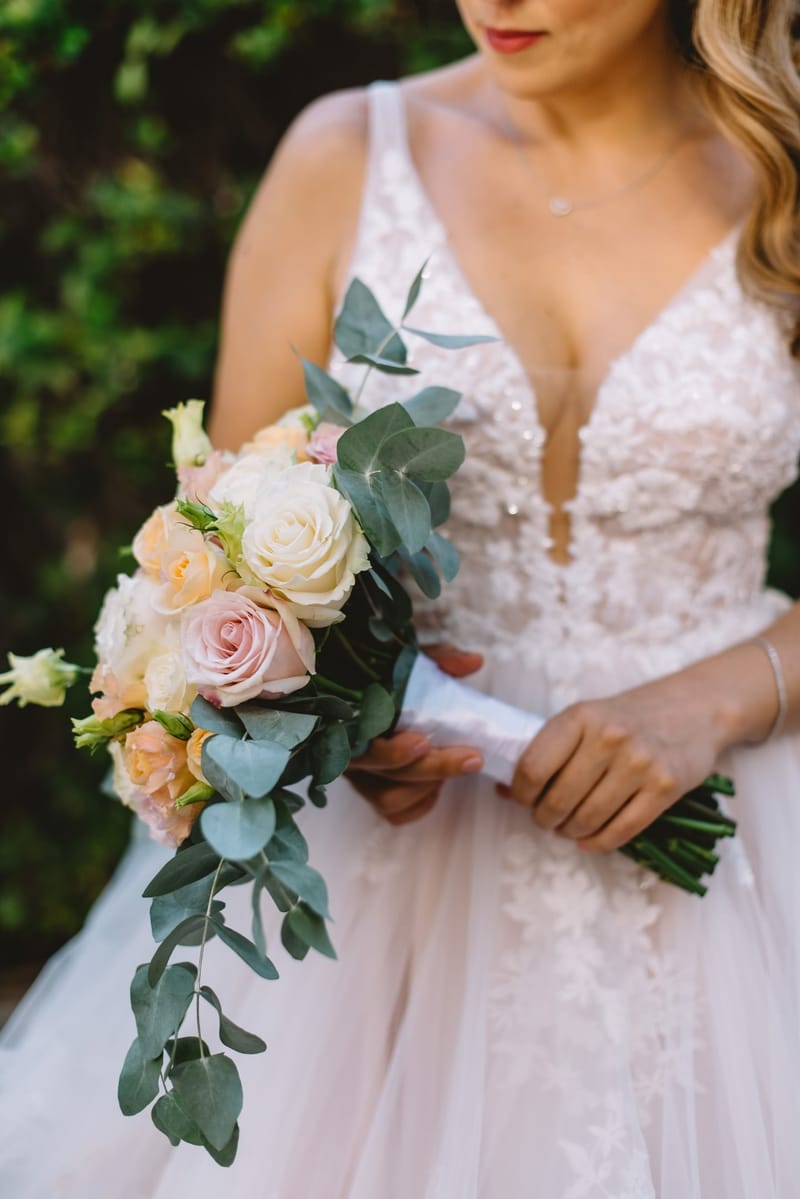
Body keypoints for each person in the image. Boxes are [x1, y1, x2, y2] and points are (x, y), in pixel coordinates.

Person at [2, 1, 800, 1195]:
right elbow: (218, 555)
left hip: (741, 844)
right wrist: (329, 725)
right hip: (382, 885)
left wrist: (722, 695)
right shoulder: (342, 159)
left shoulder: (779, 176)